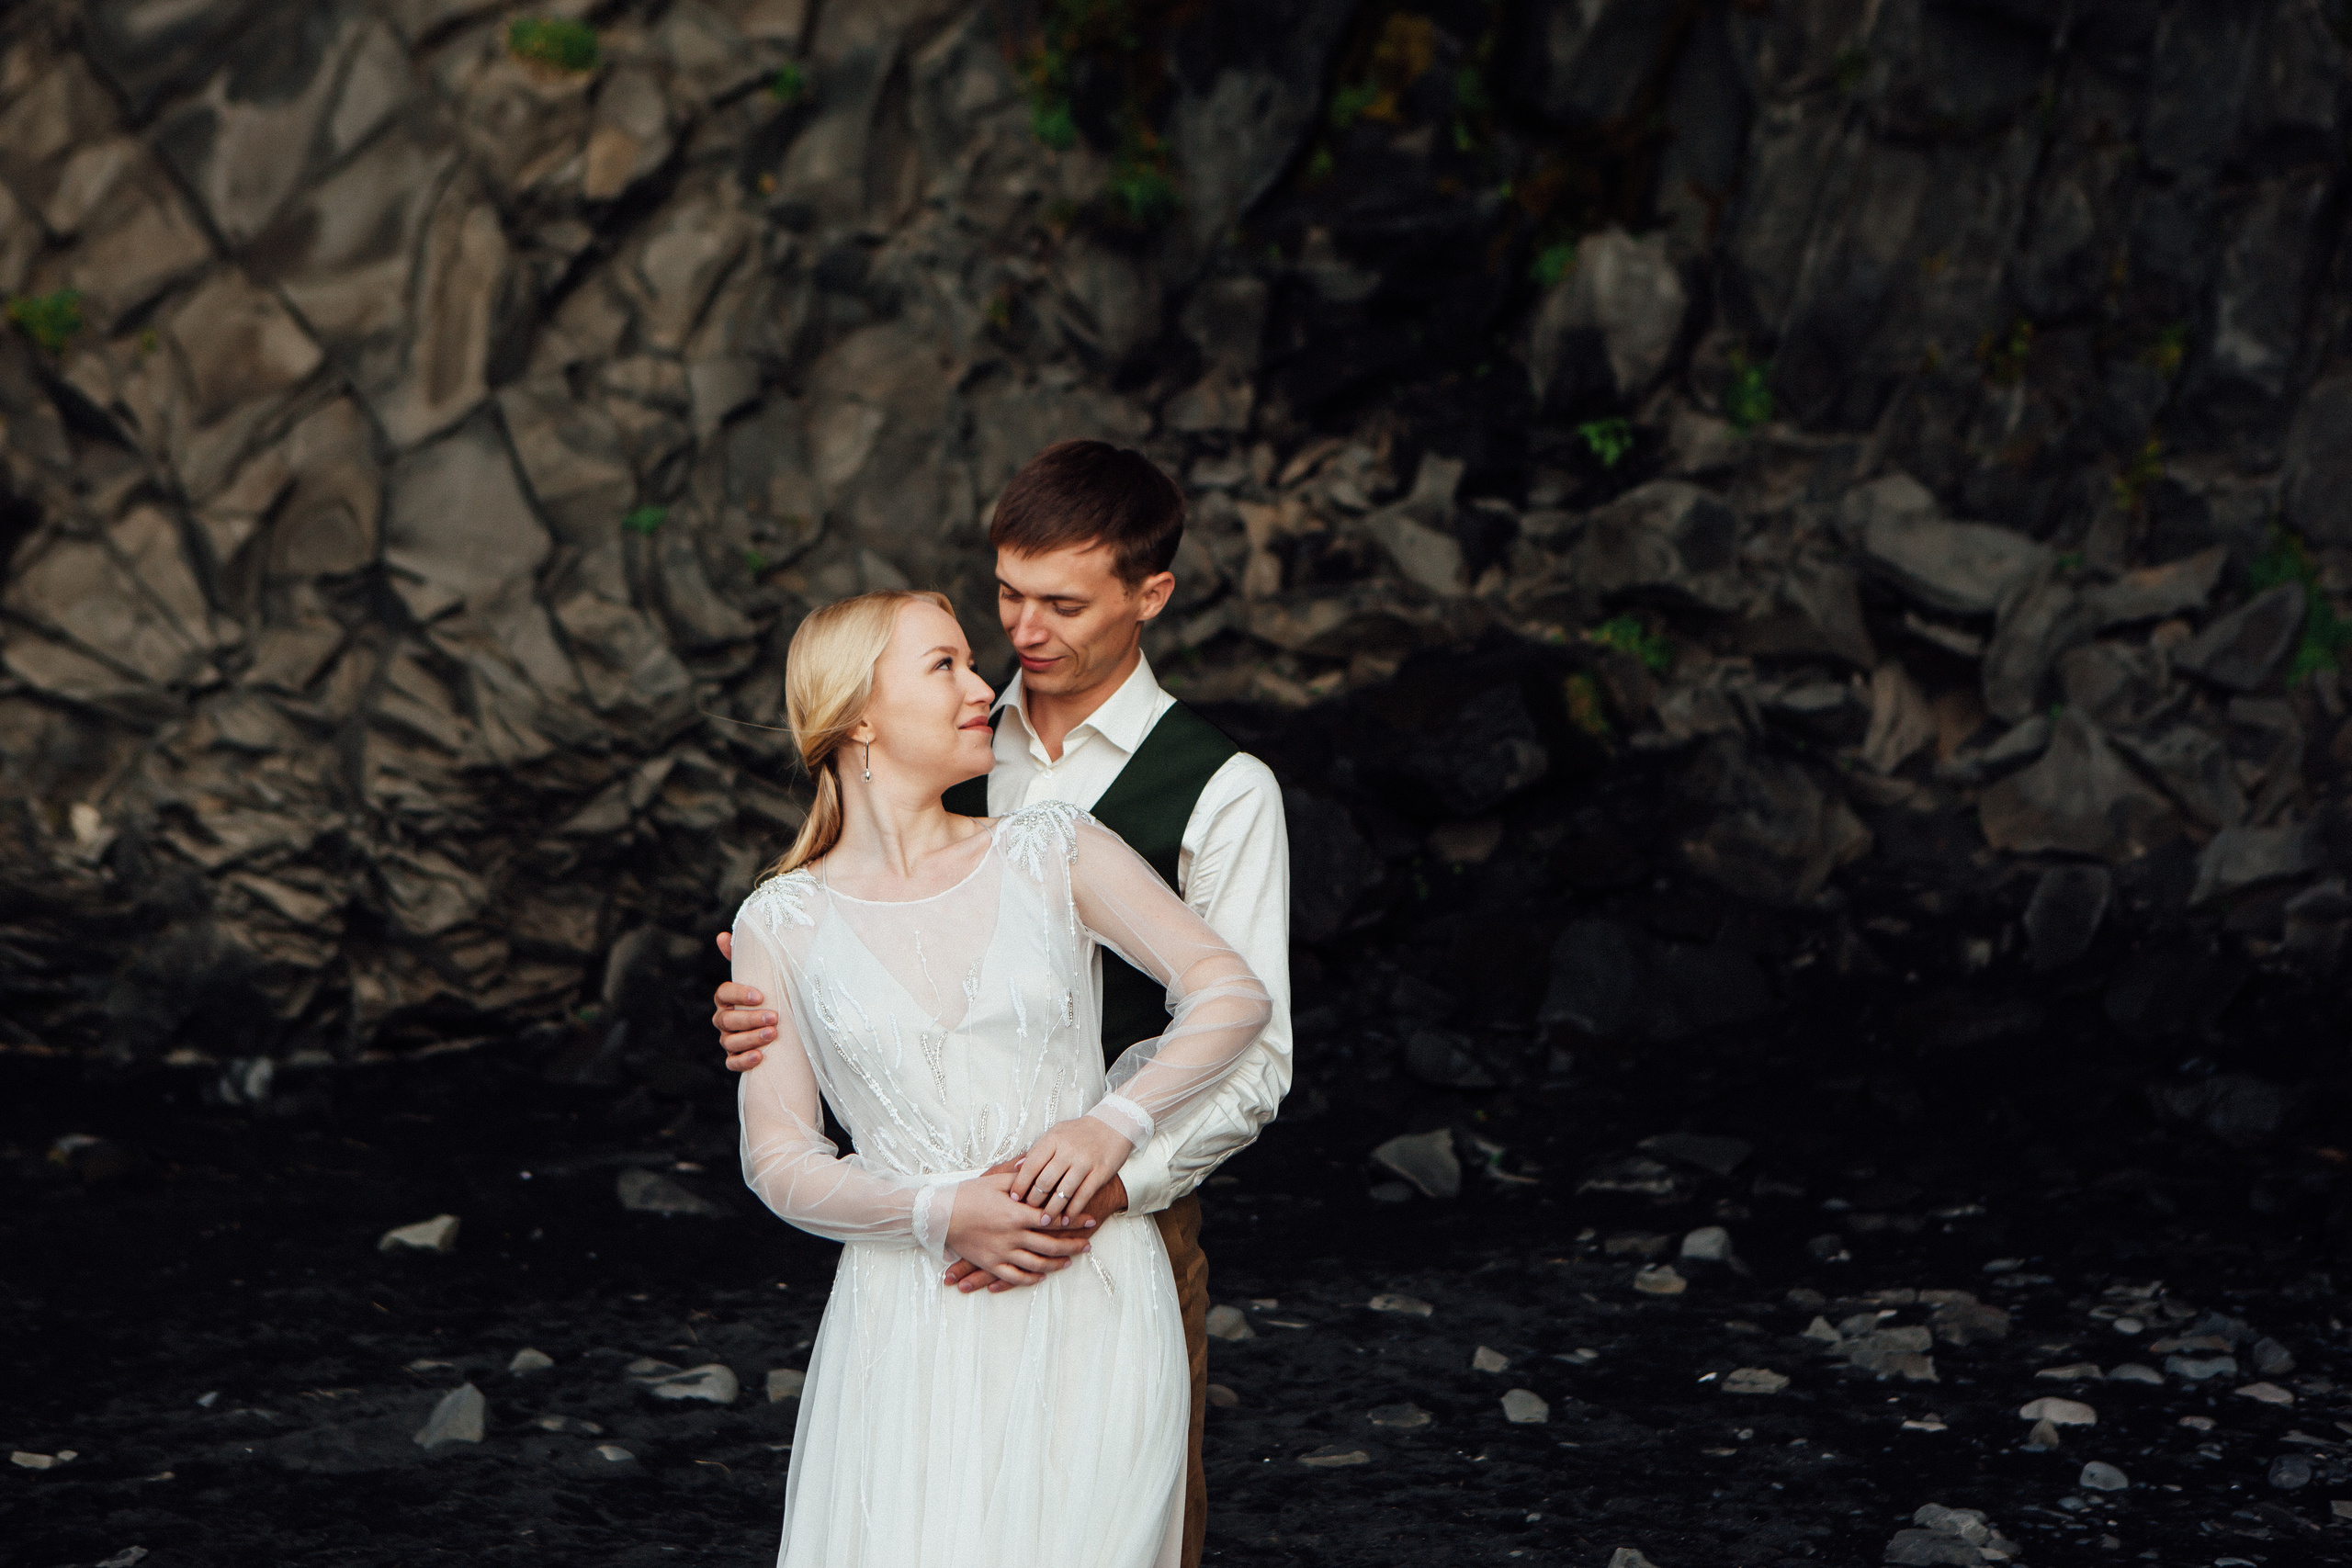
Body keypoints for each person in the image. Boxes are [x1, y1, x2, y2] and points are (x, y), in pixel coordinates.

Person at [712, 440, 1293, 1568]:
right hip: (918, 1259)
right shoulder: (945, 751)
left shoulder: (1222, 792)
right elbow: (849, 954)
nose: (1022, 635)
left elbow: (1254, 1047)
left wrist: (1101, 1178)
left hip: (1122, 1220)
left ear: (1149, 596)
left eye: (1062, 604)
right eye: (1007, 597)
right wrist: (768, 997)